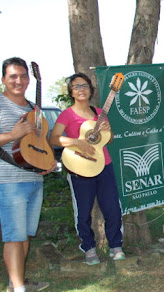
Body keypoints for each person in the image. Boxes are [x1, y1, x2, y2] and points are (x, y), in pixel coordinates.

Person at [0, 57, 54, 292]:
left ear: (29, 79)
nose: (19, 81)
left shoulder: (32, 109)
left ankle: (15, 284)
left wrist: (47, 163)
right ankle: (19, 289)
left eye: (23, 76)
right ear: (3, 80)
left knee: (25, 235)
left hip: (34, 180)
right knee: (13, 237)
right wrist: (12, 134)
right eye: (13, 76)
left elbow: (41, 143)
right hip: (9, 182)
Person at [49, 73, 125, 265]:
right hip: (79, 167)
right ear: (71, 92)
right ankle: (89, 248)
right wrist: (77, 142)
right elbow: (54, 138)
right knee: (83, 212)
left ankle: (116, 245)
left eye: (84, 85)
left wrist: (108, 130)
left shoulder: (99, 112)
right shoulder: (67, 114)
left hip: (104, 165)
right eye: (76, 86)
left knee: (113, 208)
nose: (81, 89)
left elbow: (110, 138)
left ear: (91, 89)